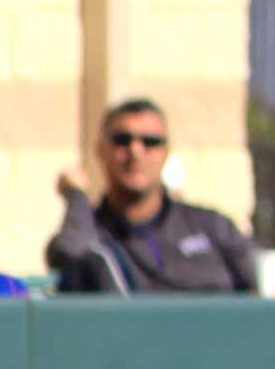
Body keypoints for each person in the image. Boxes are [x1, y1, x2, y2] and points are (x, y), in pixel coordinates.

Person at [47, 97, 259, 295]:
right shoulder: (91, 234)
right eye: (122, 140)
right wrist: (76, 196)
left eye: (150, 141)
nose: (136, 151)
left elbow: (261, 288)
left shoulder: (211, 226)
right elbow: (68, 253)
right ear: (101, 150)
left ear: (166, 152)